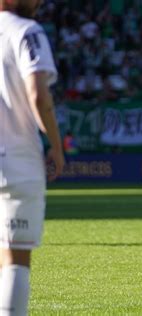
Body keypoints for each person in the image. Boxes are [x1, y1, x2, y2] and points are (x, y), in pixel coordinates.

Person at [0, 0, 64, 314]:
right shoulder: (28, 31)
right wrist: (56, 144)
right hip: (17, 161)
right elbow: (38, 94)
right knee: (15, 256)